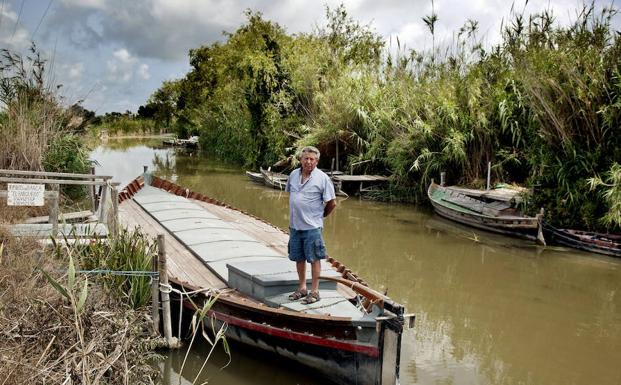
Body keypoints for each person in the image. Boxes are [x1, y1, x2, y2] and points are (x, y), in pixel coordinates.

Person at [285, 146, 337, 304]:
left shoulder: (322, 179)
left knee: (314, 258)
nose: (308, 161)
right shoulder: (293, 175)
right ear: (301, 159)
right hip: (295, 226)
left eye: (312, 159)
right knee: (298, 258)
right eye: (305, 158)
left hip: (312, 227)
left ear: (317, 161)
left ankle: (314, 291)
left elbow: (332, 203)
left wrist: (320, 217)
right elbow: (291, 196)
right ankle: (302, 288)